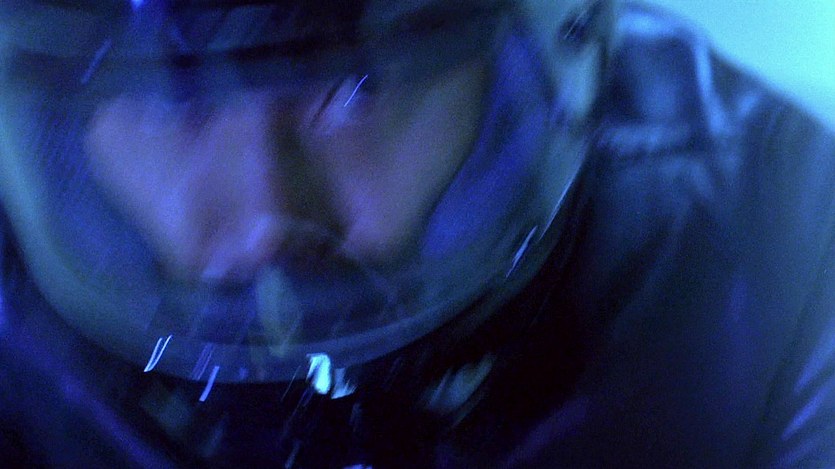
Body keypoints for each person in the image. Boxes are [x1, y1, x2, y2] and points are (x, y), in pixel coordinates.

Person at [0, 0, 833, 467]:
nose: (264, 212)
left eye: (359, 89)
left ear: (531, 69)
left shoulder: (766, 232)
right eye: (170, 101)